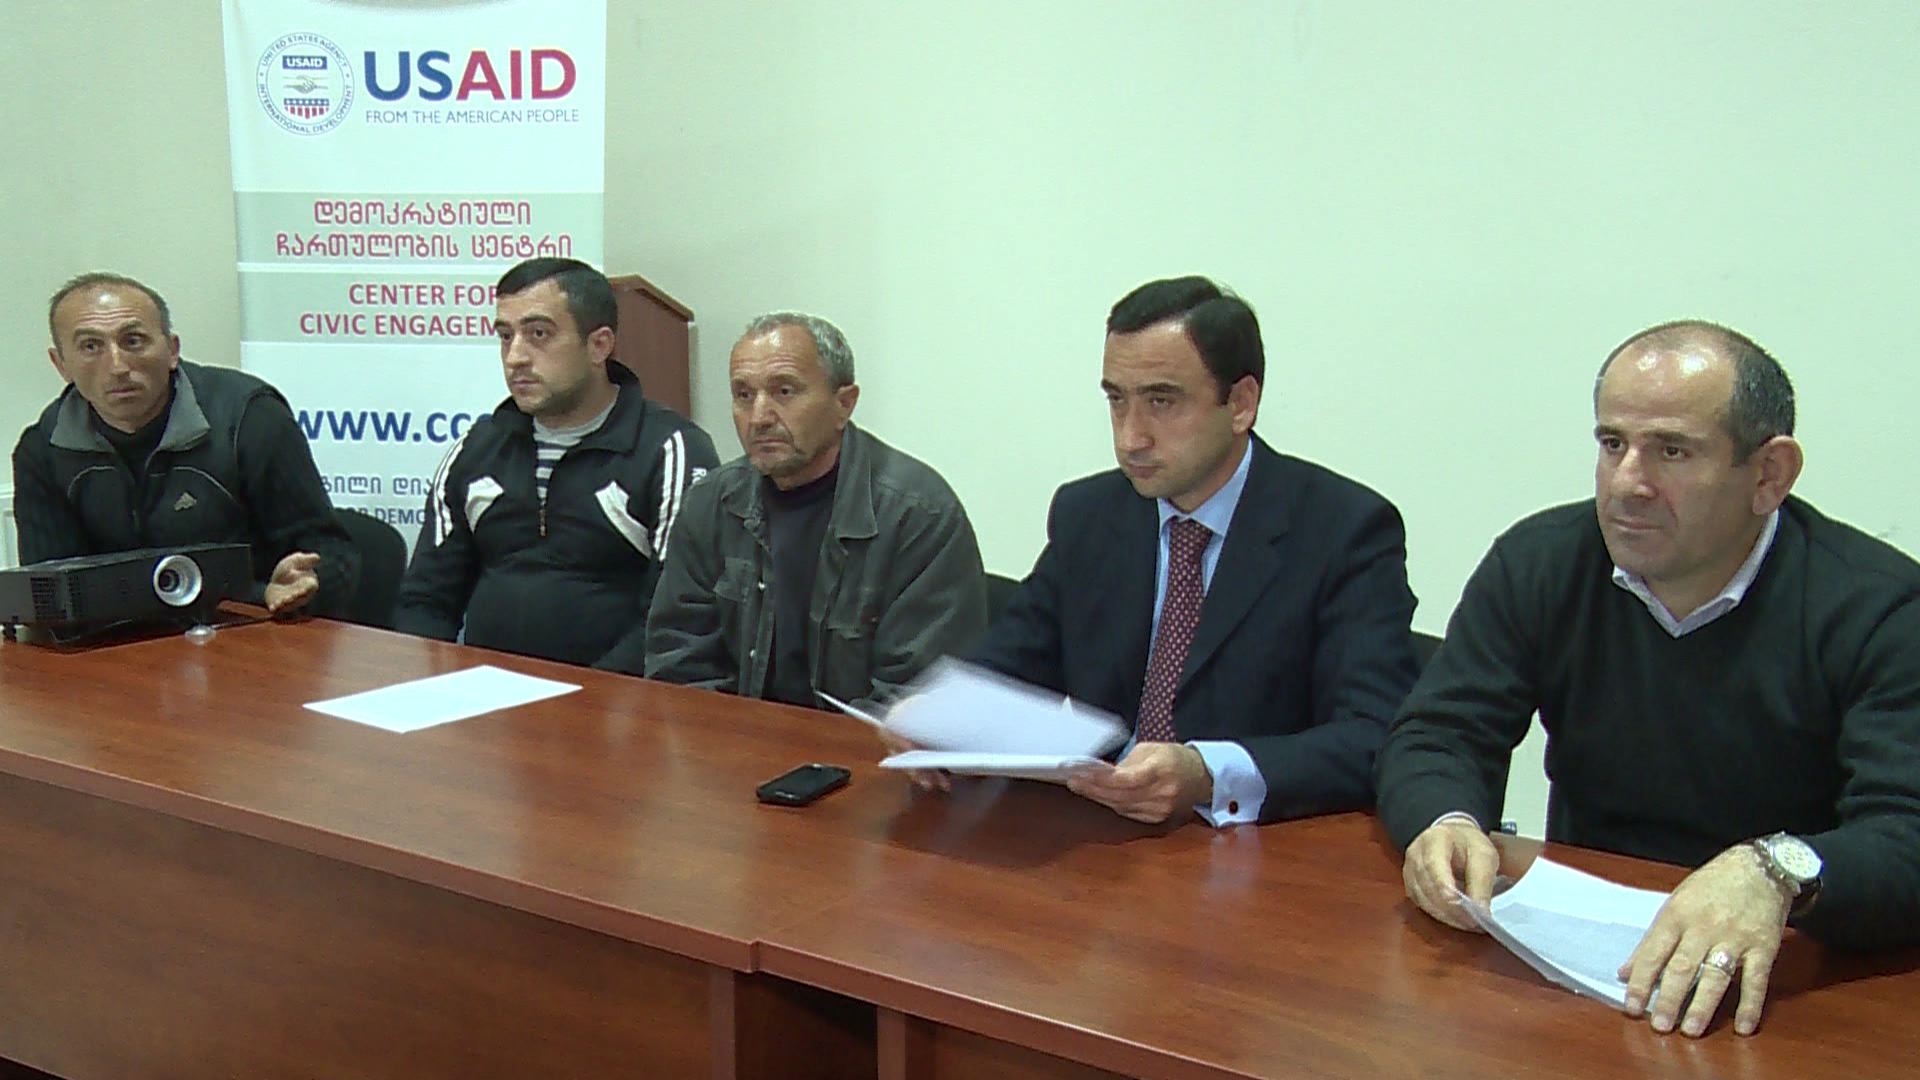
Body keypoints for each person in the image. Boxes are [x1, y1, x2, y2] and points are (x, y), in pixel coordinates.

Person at [1377, 321, 1920, 1040]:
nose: (1628, 482)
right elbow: (1439, 732)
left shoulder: (1880, 608)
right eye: (1612, 444)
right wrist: (1445, 821)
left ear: (1769, 474)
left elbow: (1906, 831)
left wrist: (1776, 870)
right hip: (1584, 963)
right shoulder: (1541, 562)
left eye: (1672, 451)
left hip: (1787, 982)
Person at [945, 275, 1419, 827]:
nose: (1131, 438)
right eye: (1117, 401)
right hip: (1100, 837)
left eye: (1161, 401)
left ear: (1240, 404)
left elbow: (1373, 734)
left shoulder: (1345, 530)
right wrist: (939, 719)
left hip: (1254, 848)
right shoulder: (1090, 514)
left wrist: (1208, 772)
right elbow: (1011, 662)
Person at [619, 313, 987, 712]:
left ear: (844, 404)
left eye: (784, 391)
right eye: (744, 395)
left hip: (863, 745)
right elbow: (679, 663)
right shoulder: (710, 503)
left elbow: (916, 698)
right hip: (734, 740)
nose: (759, 417)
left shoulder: (918, 516)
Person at [394, 258, 717, 666]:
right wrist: (430, 685)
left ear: (599, 345)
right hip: (483, 691)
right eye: (505, 336)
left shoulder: (670, 450)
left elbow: (674, 619)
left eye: (539, 334)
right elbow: (425, 600)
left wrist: (588, 695)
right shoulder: (477, 449)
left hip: (616, 695)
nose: (515, 357)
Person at [13, 272, 357, 616]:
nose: (117, 366)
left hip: (250, 626)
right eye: (91, 346)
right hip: (119, 639)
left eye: (133, 341)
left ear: (172, 350)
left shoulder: (250, 419)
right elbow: (50, 594)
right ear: (61, 365)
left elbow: (332, 552)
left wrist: (302, 586)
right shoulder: (42, 450)